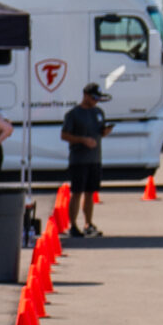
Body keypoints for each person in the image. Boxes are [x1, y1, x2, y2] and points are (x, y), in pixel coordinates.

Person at [63, 83, 107, 235]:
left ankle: (88, 224)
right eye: (94, 98)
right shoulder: (73, 114)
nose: (96, 101)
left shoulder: (98, 112)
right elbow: (64, 135)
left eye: (98, 98)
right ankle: (73, 225)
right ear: (85, 95)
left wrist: (105, 132)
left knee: (90, 192)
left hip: (94, 158)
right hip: (79, 159)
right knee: (77, 192)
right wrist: (83, 140)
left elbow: (100, 131)